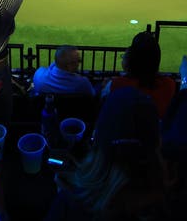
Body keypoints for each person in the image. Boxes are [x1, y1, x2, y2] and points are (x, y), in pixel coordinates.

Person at [47, 86, 167, 220]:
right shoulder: (168, 204)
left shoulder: (69, 203)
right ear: (158, 144)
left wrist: (67, 194)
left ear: (95, 138)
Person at [104, 31, 176, 118]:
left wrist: (107, 85)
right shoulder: (170, 84)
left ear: (131, 60)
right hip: (156, 130)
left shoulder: (116, 84)